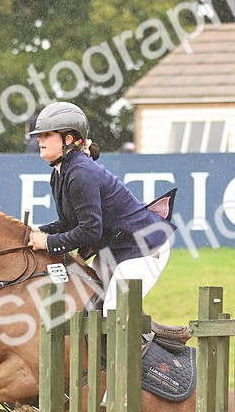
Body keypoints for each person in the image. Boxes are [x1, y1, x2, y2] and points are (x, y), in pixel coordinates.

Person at [27, 101, 174, 313]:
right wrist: (39, 231)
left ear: (68, 139)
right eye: (40, 135)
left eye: (47, 134)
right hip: (116, 248)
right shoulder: (60, 172)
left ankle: (146, 335)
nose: (39, 139)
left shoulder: (80, 173)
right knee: (87, 307)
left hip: (146, 247)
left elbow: (90, 230)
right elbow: (69, 223)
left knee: (113, 313)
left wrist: (49, 242)